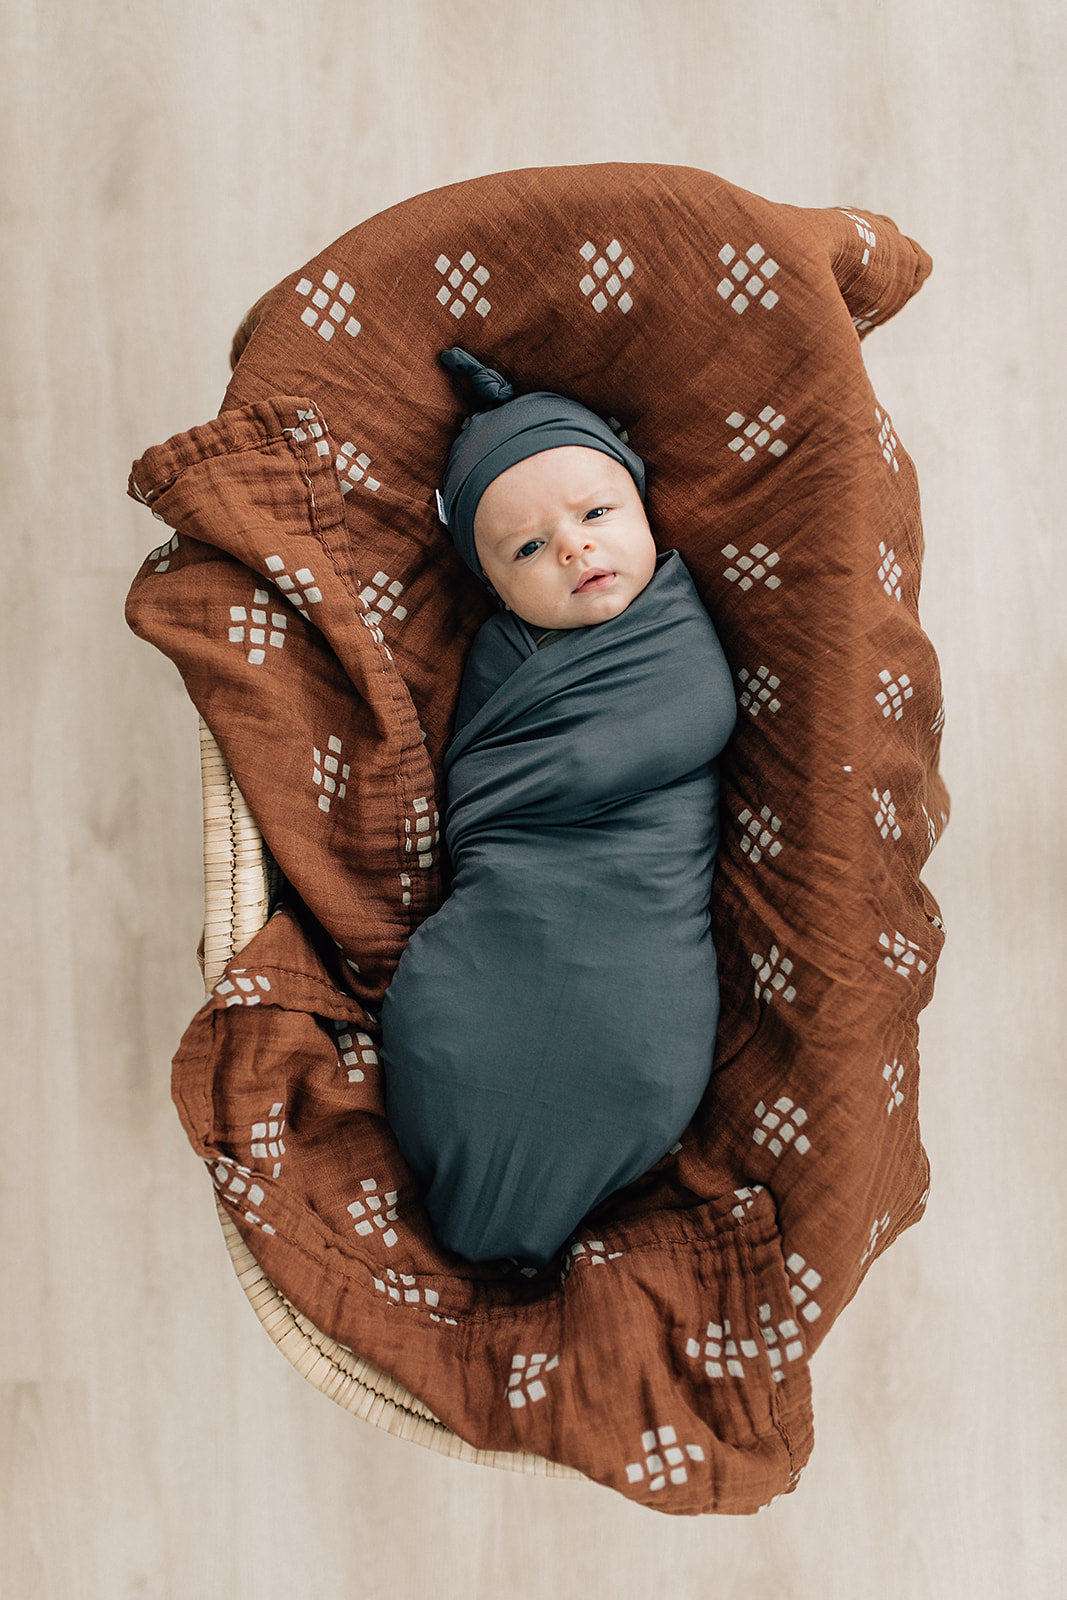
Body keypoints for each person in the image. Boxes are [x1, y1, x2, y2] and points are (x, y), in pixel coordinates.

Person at [379, 348, 737, 1266]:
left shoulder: (674, 625)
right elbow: (483, 786)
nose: (574, 547)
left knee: (629, 1065)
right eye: (528, 549)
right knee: (447, 1037)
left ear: (645, 510)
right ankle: (486, 1226)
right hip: (507, 920)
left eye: (596, 514)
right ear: (491, 586)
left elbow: (695, 715)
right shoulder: (499, 658)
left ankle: (514, 1233)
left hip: (635, 950)